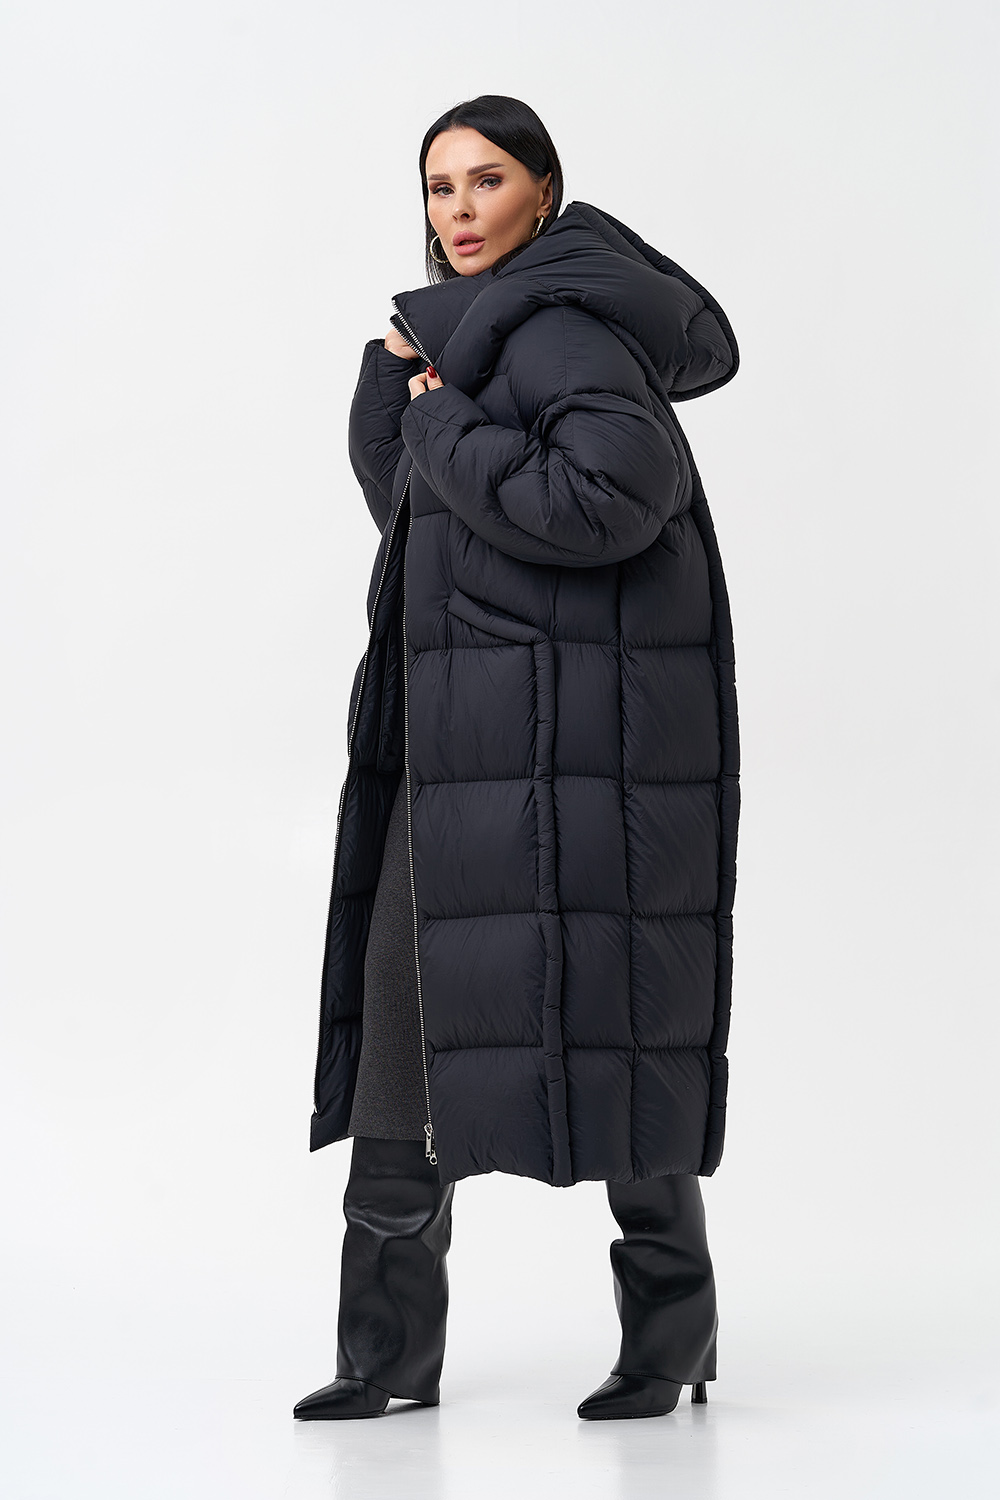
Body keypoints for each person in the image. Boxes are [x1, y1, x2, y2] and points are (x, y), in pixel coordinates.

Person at [296, 94, 740, 1422]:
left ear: (544, 190)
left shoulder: (559, 326)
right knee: (404, 1028)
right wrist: (398, 385)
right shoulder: (484, 332)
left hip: (576, 751)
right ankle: (384, 1358)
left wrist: (441, 418)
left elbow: (609, 498)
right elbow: (423, 512)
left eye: (487, 181)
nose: (460, 210)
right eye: (439, 188)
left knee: (611, 1026)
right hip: (471, 739)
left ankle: (669, 1342)